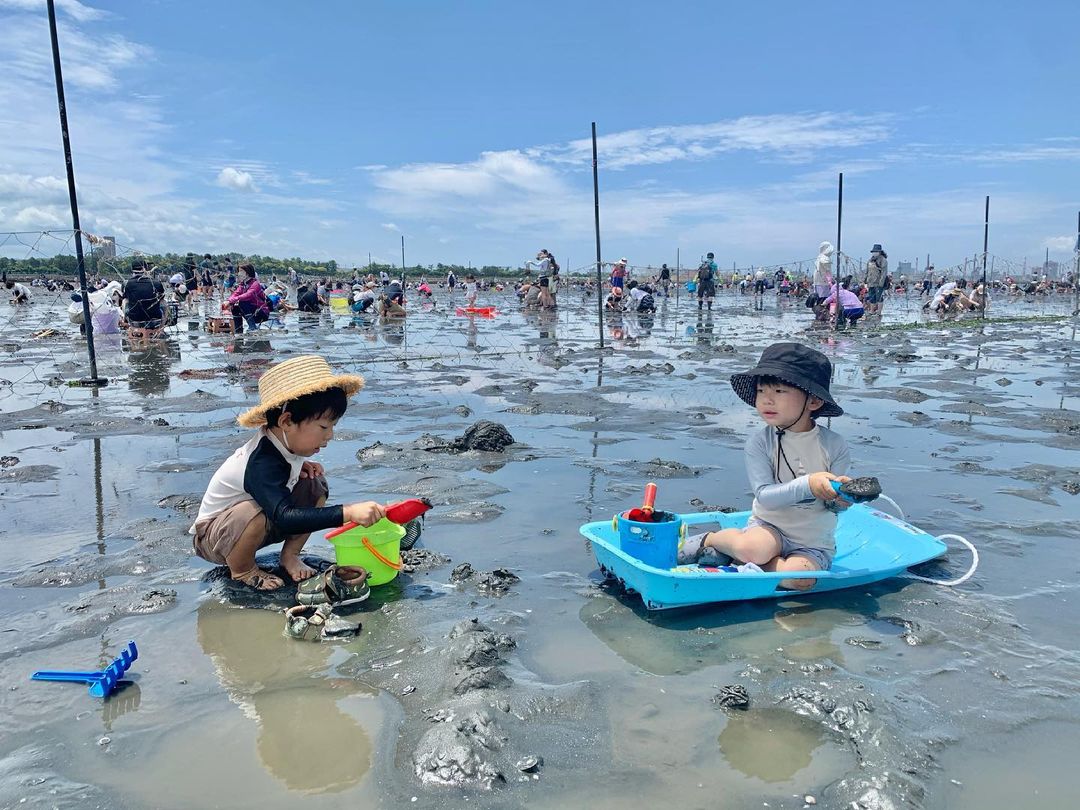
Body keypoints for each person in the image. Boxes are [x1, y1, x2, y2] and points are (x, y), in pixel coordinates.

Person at [191, 355, 387, 589]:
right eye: (324, 426)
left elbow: (281, 480)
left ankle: (290, 556)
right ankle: (243, 570)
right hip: (214, 538)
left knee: (315, 484)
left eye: (333, 427)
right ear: (286, 421)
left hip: (258, 522)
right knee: (251, 512)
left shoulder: (284, 446)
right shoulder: (261, 462)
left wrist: (296, 468)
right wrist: (348, 512)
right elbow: (284, 515)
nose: (330, 435)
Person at [677, 343, 851, 590]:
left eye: (779, 390)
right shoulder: (760, 443)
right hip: (769, 527)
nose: (767, 399)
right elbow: (765, 497)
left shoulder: (834, 445)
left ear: (812, 401)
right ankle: (712, 539)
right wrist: (809, 484)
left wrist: (844, 499)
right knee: (753, 548)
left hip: (812, 540)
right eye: (761, 391)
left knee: (800, 579)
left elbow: (833, 508)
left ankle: (744, 564)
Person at [123, 260, 165, 338]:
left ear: (132, 270)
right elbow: (162, 301)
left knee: (125, 301)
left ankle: (126, 322)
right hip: (155, 321)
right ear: (145, 269)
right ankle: (161, 329)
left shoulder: (128, 283)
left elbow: (127, 300)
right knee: (164, 302)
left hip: (135, 321)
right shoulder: (156, 283)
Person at [227, 264, 270, 332]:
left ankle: (252, 327)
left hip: (261, 312)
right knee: (234, 307)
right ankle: (238, 330)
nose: (239, 273)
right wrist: (229, 301)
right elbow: (236, 293)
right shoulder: (242, 285)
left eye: (241, 271)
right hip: (251, 311)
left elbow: (248, 295)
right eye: (238, 271)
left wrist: (234, 300)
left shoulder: (255, 284)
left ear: (247, 272)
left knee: (242, 302)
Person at [864, 244, 888, 315]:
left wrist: (881, 283)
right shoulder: (870, 260)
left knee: (879, 297)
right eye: (874, 251)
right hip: (870, 282)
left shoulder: (883, 260)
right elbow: (867, 271)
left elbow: (884, 273)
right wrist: (865, 280)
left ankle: (879, 312)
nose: (874, 253)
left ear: (879, 252)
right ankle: (871, 311)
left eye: (876, 251)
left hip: (879, 282)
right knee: (872, 297)